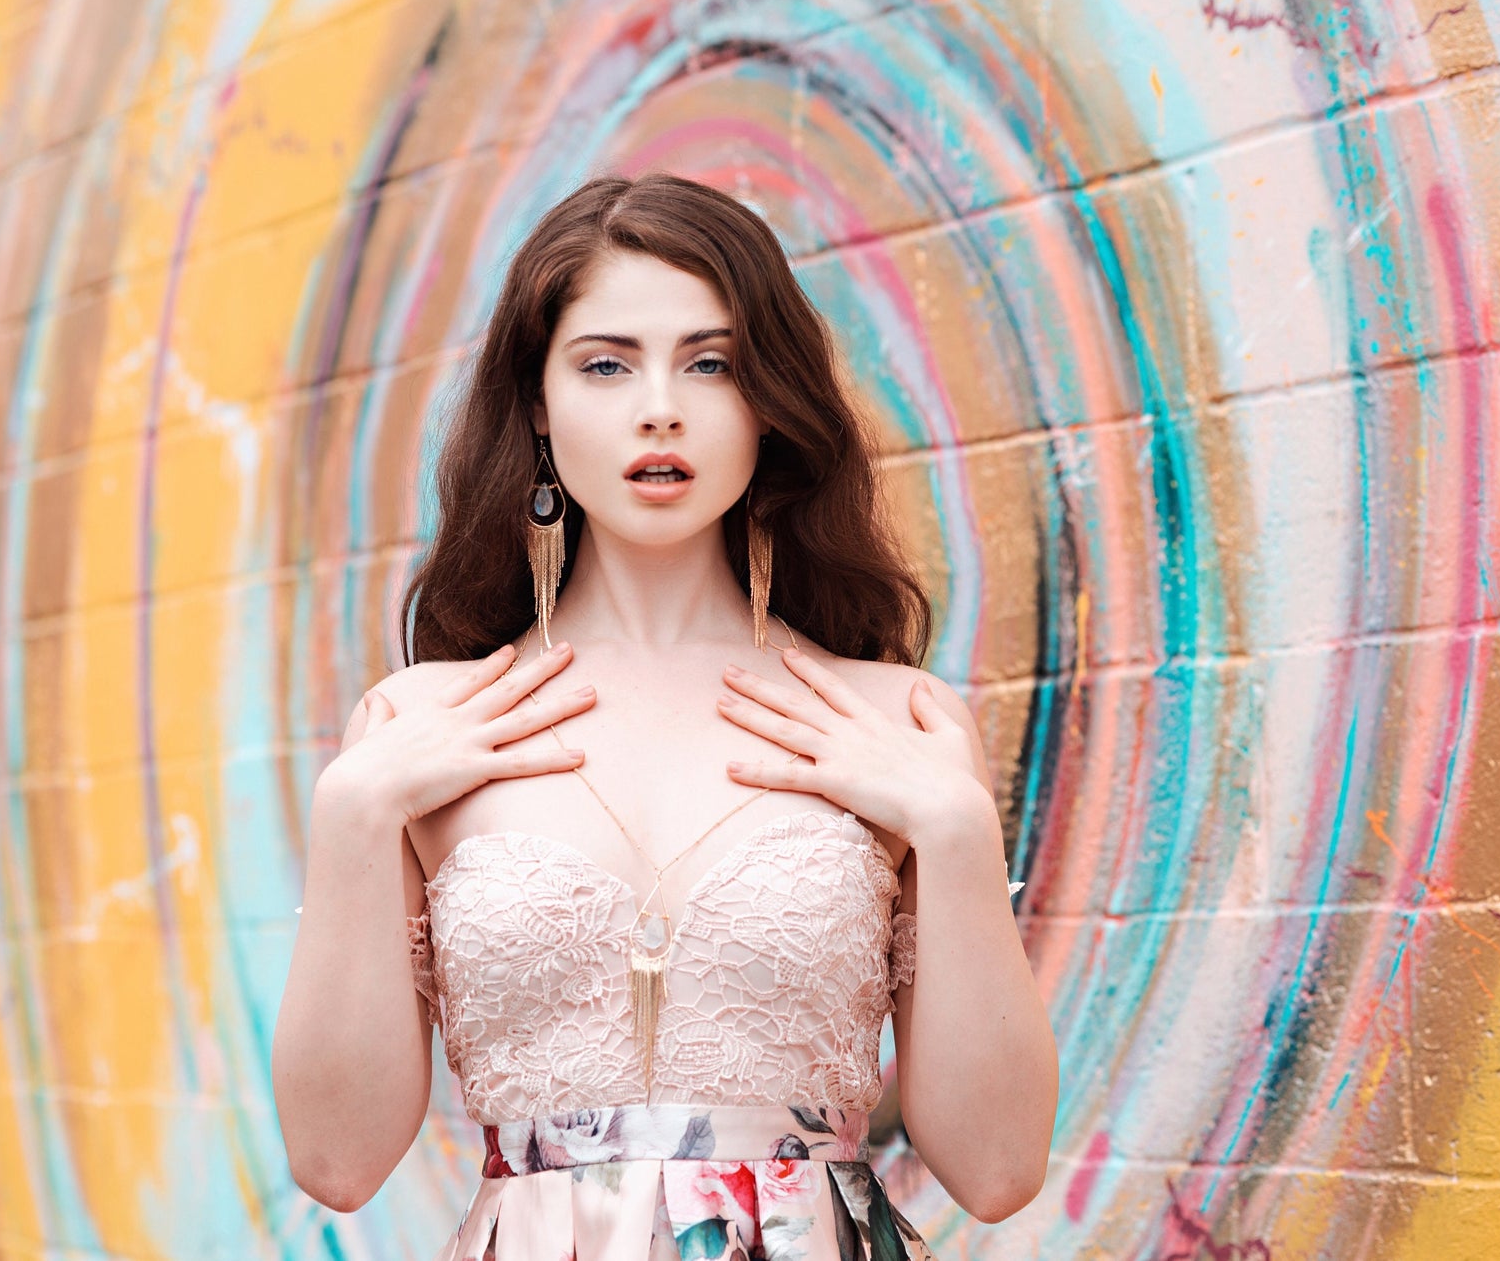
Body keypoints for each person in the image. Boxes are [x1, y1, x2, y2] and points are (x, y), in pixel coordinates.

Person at [271, 172, 1058, 1260]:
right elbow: (336, 1164)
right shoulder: (417, 731)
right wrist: (353, 813)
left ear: (766, 404)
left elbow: (999, 1171)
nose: (660, 406)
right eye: (604, 364)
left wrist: (960, 836)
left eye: (711, 363)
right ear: (539, 407)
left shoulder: (899, 726)